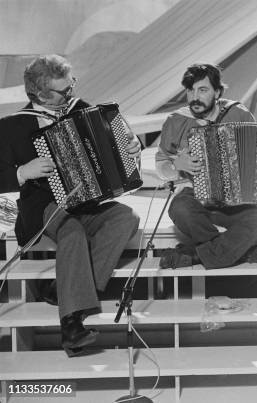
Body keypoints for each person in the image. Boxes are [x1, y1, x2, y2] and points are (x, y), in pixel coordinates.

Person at [0, 55, 141, 356]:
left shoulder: (80, 108)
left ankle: (65, 290)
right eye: (62, 92)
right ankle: (72, 325)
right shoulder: (11, 126)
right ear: (38, 94)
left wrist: (132, 147)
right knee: (72, 232)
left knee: (124, 218)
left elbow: (115, 146)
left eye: (71, 86)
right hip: (42, 205)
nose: (70, 95)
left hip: (84, 200)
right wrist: (22, 172)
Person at [156, 63, 257, 270]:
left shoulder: (238, 114)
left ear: (217, 91)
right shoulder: (176, 121)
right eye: (190, 90)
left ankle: (194, 255)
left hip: (235, 200)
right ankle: (241, 251)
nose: (195, 97)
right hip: (194, 197)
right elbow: (161, 167)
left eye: (203, 90)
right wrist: (175, 165)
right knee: (180, 209)